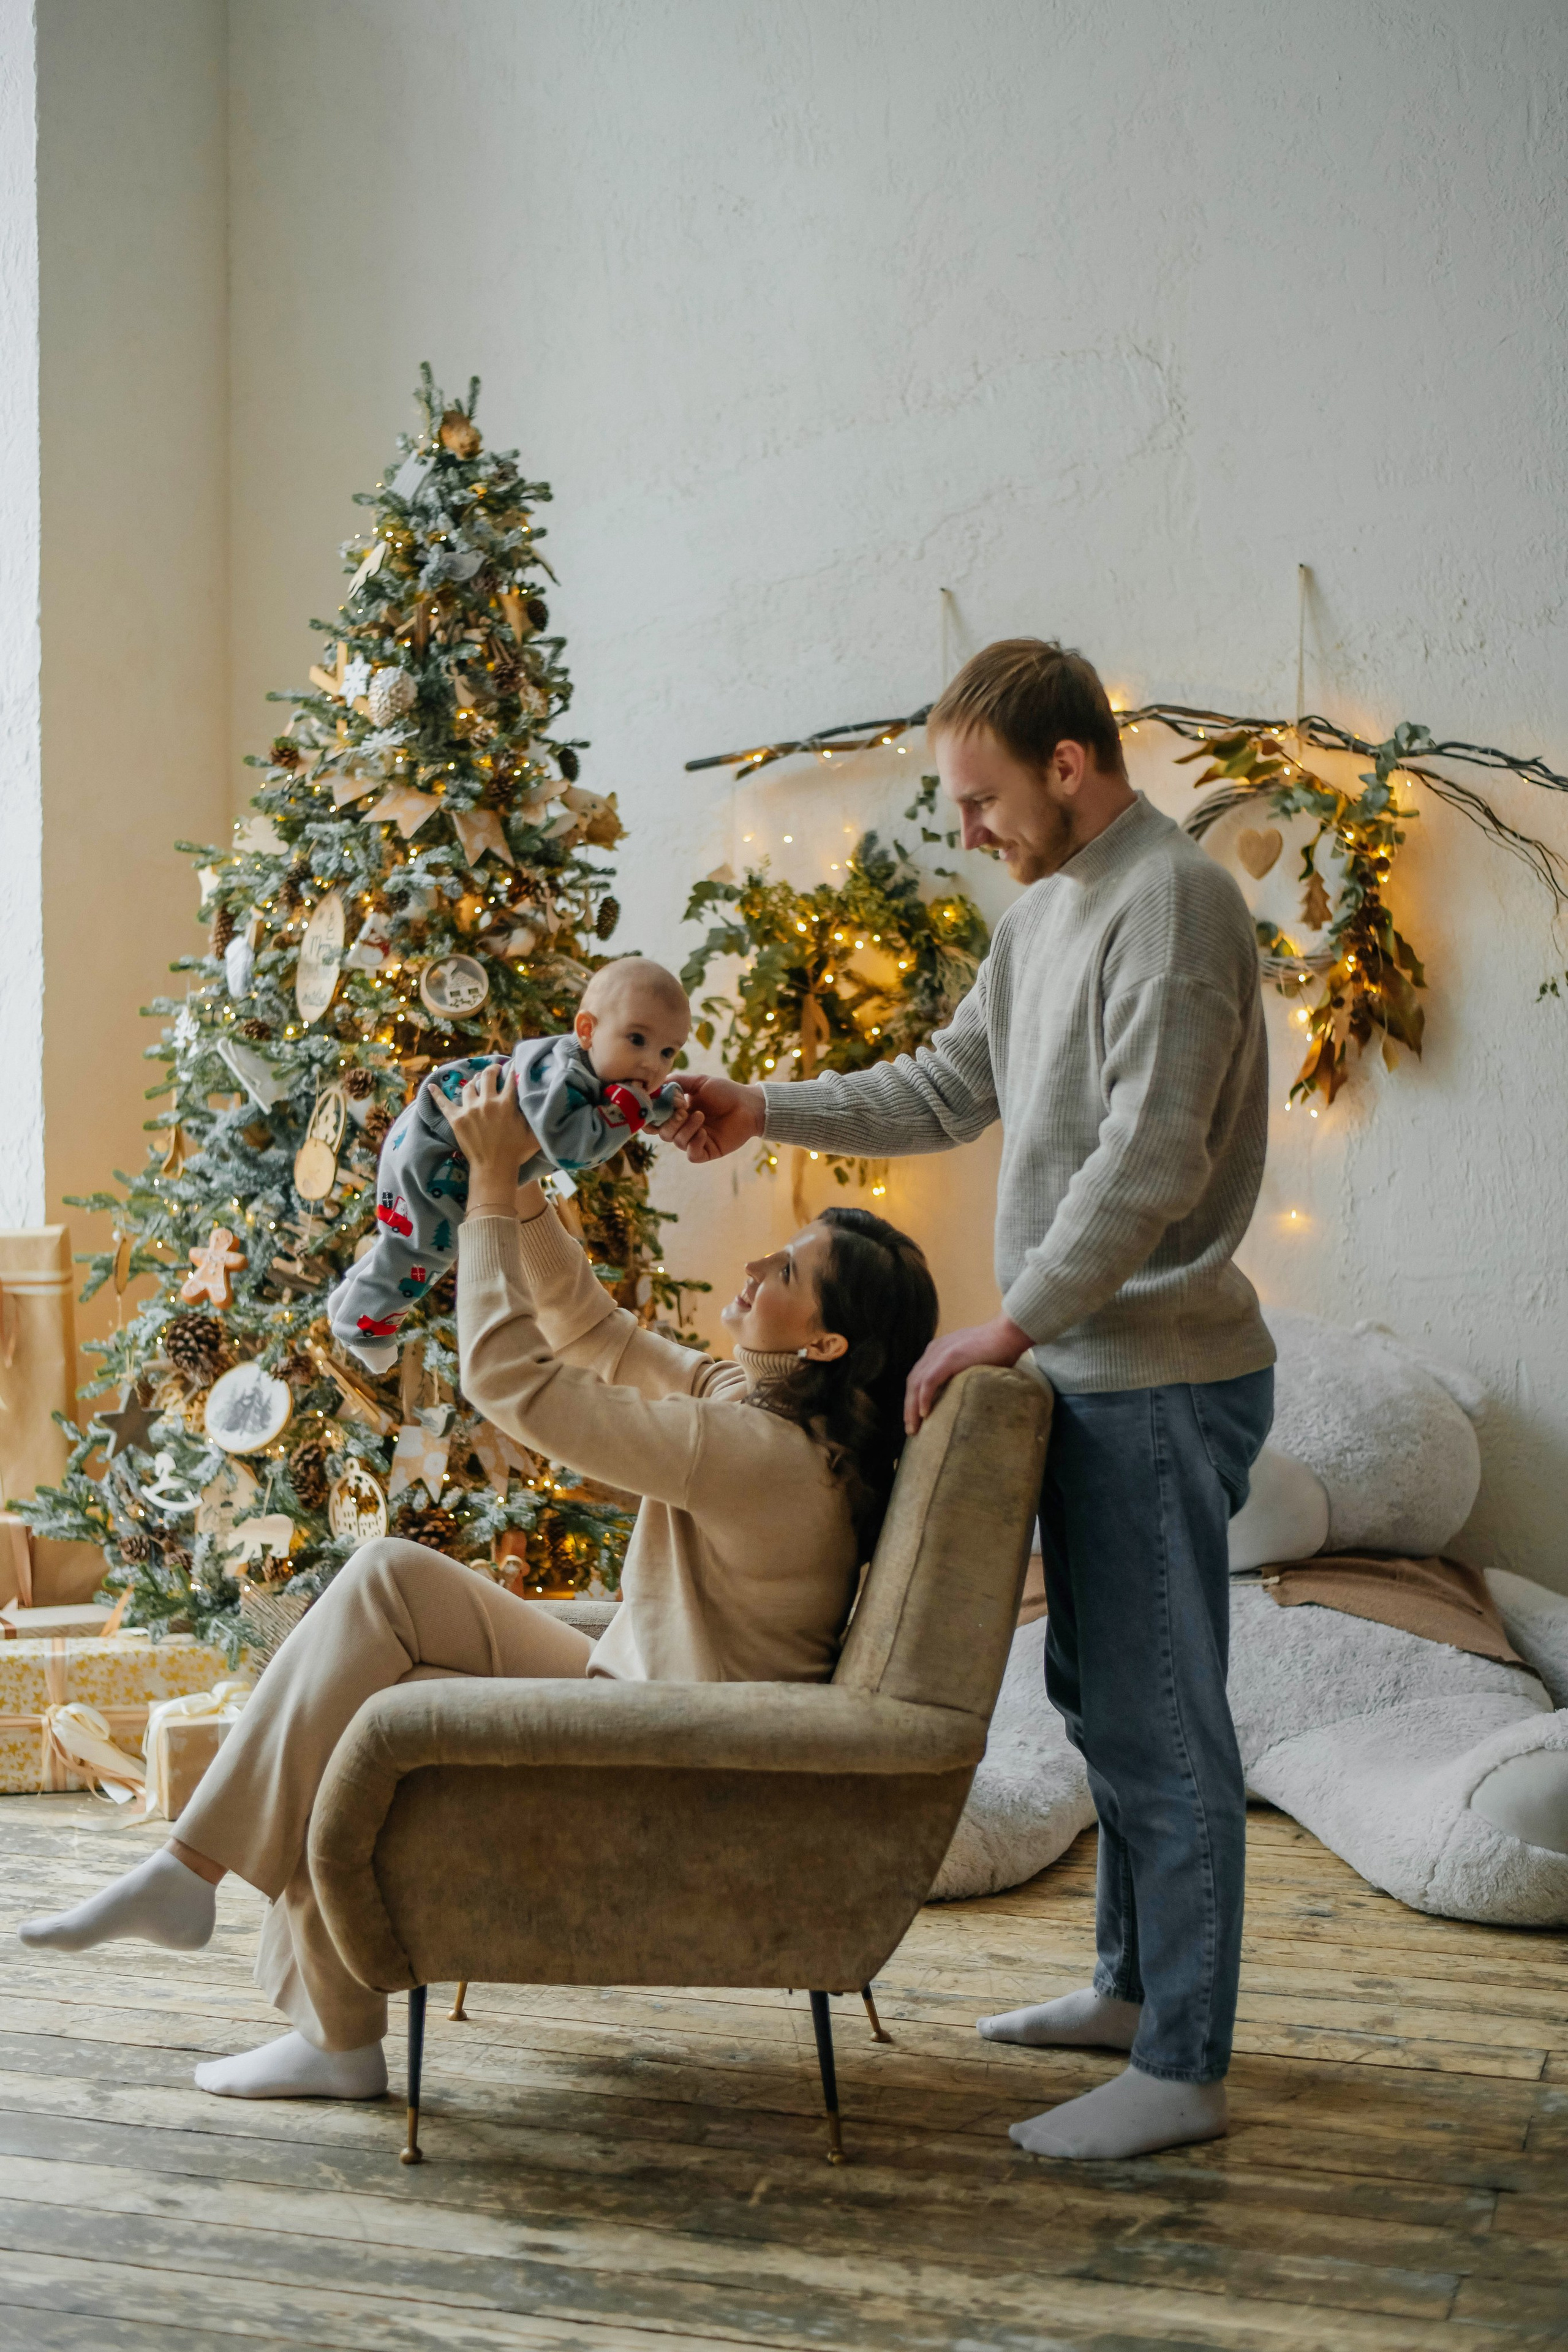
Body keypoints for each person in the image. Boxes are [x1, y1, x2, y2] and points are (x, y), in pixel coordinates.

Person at [19, 1062, 938, 2102]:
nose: (759, 1264)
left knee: (376, 1698)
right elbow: (597, 1336)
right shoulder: (774, 1416)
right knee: (387, 1581)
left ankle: (315, 2017)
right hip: (640, 1689)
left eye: (788, 1268)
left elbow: (512, 1384)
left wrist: (491, 1196)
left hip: (668, 1743)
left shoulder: (753, 1455)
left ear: (825, 1340)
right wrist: (526, 1182)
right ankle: (192, 1881)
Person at [668, 638, 1275, 2161]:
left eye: (979, 796)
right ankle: (1132, 1995)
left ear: (1066, 764)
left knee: (1160, 1724)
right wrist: (768, 1106)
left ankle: (1183, 2065)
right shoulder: (1045, 915)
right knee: (1096, 1700)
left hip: (1153, 1372)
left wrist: (1004, 1323)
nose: (968, 830)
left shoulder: (1176, 902)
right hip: (1079, 1370)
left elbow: (1152, 1163)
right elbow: (946, 1089)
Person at [328, 956, 690, 1370]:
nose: (652, 1064)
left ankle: (351, 1299)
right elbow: (575, 1148)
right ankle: (364, 1329)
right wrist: (637, 1110)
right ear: (587, 1030)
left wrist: (658, 1105)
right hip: (439, 1152)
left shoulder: (594, 1071)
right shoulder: (562, 1076)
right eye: (638, 1040)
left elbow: (616, 1103)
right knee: (427, 1249)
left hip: (439, 1139)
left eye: (668, 1052)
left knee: (404, 1241)